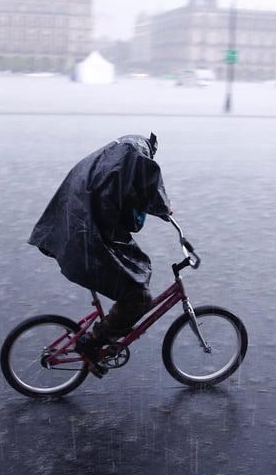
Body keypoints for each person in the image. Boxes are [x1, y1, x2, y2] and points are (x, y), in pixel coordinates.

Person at [28, 133, 172, 377]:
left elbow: (129, 192)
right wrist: (163, 208)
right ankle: (93, 343)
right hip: (88, 237)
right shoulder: (136, 152)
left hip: (77, 229)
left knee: (133, 275)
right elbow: (148, 180)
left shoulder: (114, 154)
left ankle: (101, 336)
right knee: (138, 298)